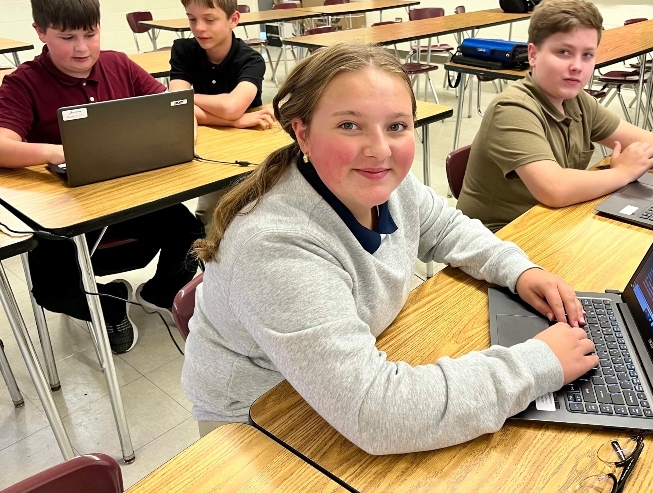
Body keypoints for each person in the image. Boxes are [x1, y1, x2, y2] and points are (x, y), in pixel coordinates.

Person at [182, 42, 598, 451]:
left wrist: (519, 270)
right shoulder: (275, 247)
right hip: (258, 422)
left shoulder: (382, 185)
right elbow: (378, 414)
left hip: (335, 387)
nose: (380, 150)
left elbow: (447, 227)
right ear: (303, 133)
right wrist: (538, 363)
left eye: (396, 126)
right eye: (349, 125)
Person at [0, 0, 203, 353]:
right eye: (67, 37)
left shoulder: (118, 65)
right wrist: (63, 153)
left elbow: (173, 110)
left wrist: (180, 133)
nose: (82, 48)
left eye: (90, 34)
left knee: (191, 234)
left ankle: (159, 293)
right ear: (40, 32)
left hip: (130, 198)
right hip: (65, 214)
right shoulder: (22, 82)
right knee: (53, 292)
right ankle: (108, 305)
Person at [456, 0, 653, 232]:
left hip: (552, 223)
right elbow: (554, 189)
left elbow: (645, 141)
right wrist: (620, 174)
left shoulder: (576, 101)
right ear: (534, 54)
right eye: (564, 52)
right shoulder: (513, 109)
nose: (577, 66)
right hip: (504, 237)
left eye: (587, 55)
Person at [169, 0, 274, 229]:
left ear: (233, 19)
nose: (199, 28)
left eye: (210, 20)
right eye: (192, 19)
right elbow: (177, 110)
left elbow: (231, 106)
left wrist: (191, 101)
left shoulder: (251, 60)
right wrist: (236, 121)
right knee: (209, 219)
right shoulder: (183, 50)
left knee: (252, 214)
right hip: (210, 145)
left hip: (252, 146)